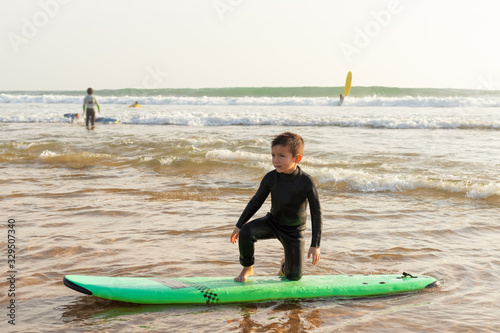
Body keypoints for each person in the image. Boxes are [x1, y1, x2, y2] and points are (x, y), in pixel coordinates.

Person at [230, 132, 322, 282]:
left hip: (294, 232)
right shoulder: (270, 178)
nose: (275, 160)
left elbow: (317, 213)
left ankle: (285, 265)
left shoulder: (306, 182)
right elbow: (256, 202)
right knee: (246, 232)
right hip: (272, 223)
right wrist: (239, 225)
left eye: (281, 156)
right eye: (273, 155)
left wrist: (315, 244)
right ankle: (248, 268)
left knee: (294, 276)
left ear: (297, 158)